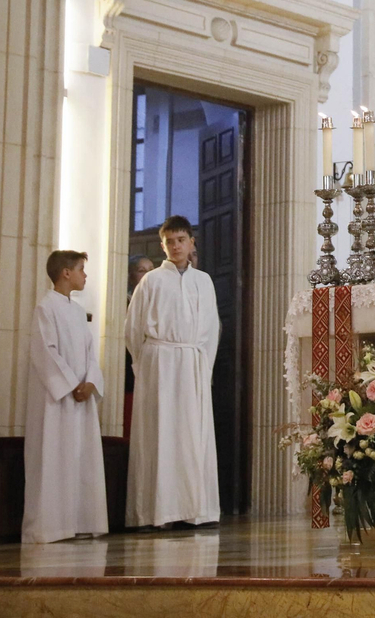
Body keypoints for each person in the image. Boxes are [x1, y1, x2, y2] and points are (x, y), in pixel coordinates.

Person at [126, 214, 220, 530]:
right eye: (169, 242)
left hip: (191, 363)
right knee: (160, 434)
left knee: (191, 435)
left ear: (191, 242)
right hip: (159, 365)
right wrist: (146, 365)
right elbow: (133, 329)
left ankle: (196, 509)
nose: (175, 246)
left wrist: (202, 369)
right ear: (162, 245)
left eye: (181, 240)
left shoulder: (203, 281)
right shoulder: (151, 281)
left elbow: (210, 329)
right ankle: (156, 513)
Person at [23, 250, 107, 544]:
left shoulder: (75, 311)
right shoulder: (46, 307)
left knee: (80, 457)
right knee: (55, 456)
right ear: (65, 273)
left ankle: (80, 520)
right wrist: (72, 384)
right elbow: (45, 351)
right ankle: (51, 526)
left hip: (80, 398)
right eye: (81, 269)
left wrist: (90, 382)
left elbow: (88, 354)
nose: (85, 275)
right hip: (57, 401)